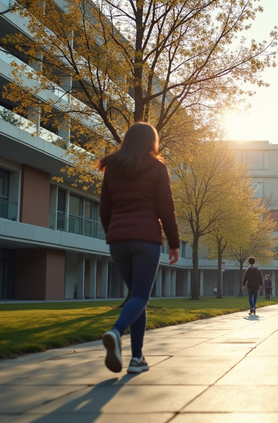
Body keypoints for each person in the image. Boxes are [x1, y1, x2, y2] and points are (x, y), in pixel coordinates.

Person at [98, 122, 179, 374]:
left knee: (136, 296)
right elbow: (166, 208)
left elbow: (104, 208)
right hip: (145, 240)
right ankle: (116, 331)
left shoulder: (112, 167)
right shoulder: (156, 167)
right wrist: (174, 243)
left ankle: (137, 359)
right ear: (151, 142)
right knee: (141, 296)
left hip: (118, 241)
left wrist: (112, 233)